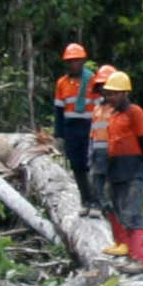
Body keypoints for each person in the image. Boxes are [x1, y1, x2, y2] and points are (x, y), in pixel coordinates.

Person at [93, 70, 143, 268]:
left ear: (124, 93)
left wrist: (138, 159)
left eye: (113, 93)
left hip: (132, 169)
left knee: (133, 214)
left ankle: (142, 260)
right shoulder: (113, 114)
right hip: (116, 169)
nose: (109, 96)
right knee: (120, 212)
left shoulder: (134, 112)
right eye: (108, 93)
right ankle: (131, 255)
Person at [52, 44, 105, 212]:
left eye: (76, 61)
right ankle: (85, 200)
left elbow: (100, 108)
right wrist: (59, 135)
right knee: (77, 165)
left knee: (92, 164)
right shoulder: (62, 83)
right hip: (71, 128)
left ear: (83, 61)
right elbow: (59, 110)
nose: (73, 64)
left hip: (89, 127)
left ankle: (96, 201)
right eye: (70, 61)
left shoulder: (93, 81)